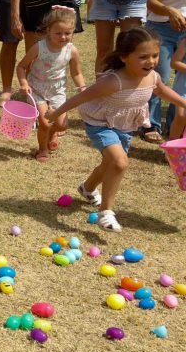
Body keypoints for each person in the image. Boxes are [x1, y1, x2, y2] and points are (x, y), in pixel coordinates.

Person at [46, 27, 186, 232]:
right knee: (119, 162)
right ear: (124, 57)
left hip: (125, 125)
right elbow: (80, 97)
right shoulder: (113, 81)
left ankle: (87, 188)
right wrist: (55, 113)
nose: (151, 61)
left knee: (108, 164)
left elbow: (165, 92)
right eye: (143, 57)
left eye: (155, 56)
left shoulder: (153, 77)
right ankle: (106, 213)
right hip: (100, 124)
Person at [16, 8, 87, 162]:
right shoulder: (39, 47)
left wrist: (83, 88)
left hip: (57, 91)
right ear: (48, 30)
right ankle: (42, 149)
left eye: (68, 33)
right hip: (37, 89)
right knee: (44, 123)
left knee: (62, 125)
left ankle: (52, 132)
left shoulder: (72, 51)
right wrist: (23, 82)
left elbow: (76, 73)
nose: (63, 37)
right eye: (58, 33)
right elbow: (21, 66)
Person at [145, 0, 186, 140]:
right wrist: (170, 11)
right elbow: (152, 2)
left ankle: (174, 128)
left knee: (183, 83)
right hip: (162, 29)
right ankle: (151, 125)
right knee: (159, 75)